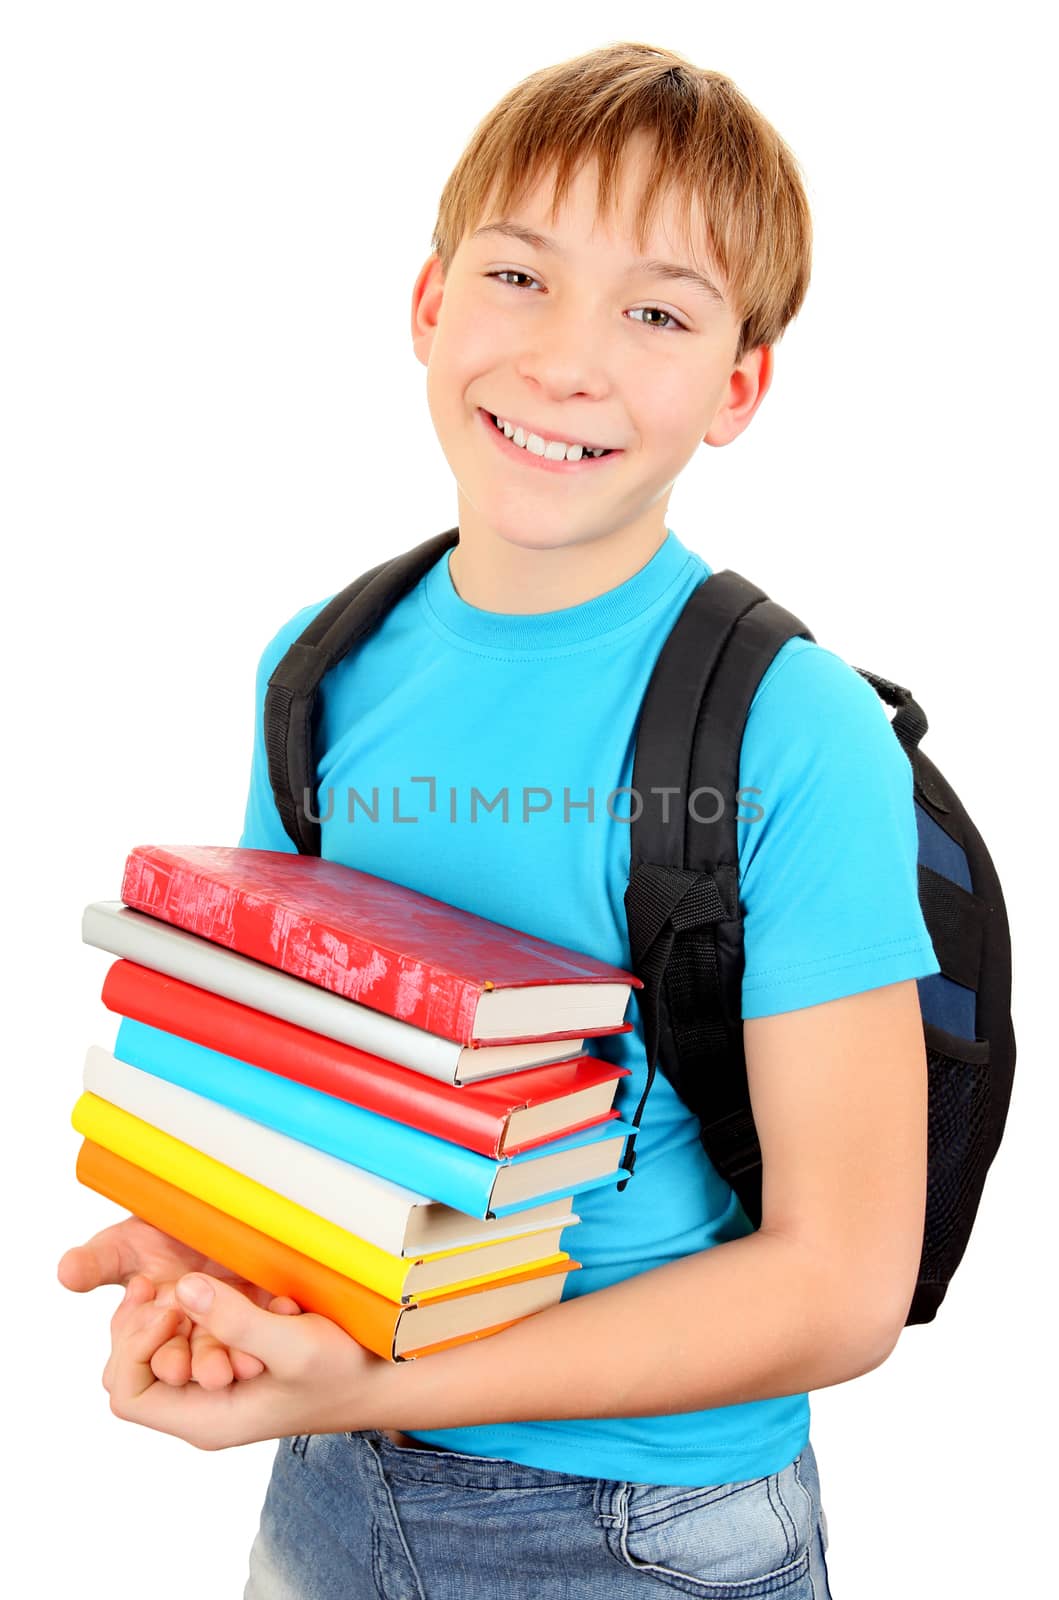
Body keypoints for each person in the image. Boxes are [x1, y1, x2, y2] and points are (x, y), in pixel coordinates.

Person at [58, 41, 940, 1598]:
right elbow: (293, 1075)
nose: (566, 360)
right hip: (331, 1489)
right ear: (428, 304)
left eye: (657, 312)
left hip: (645, 1535)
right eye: (520, 278)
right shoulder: (320, 666)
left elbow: (841, 1286)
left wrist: (372, 1387)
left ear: (739, 382)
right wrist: (210, 1257)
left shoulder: (797, 731)